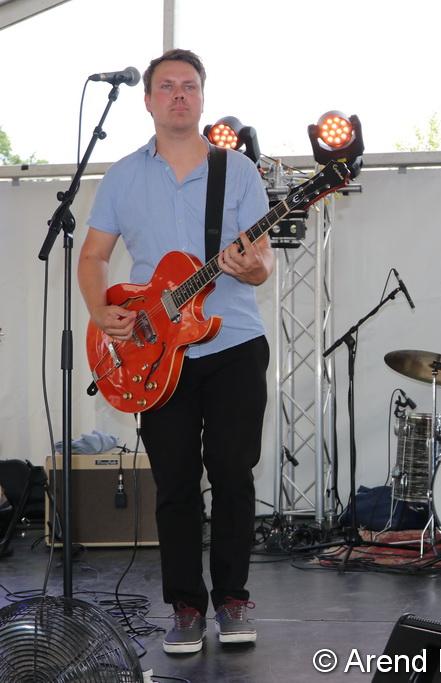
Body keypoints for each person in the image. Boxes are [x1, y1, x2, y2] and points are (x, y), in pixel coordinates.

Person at [78, 49, 272, 654]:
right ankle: (186, 606)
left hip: (234, 342)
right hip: (155, 351)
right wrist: (99, 311)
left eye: (189, 85)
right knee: (175, 483)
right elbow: (93, 256)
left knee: (233, 474)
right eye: (167, 86)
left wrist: (253, 268)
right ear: (148, 100)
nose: (179, 95)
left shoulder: (238, 171)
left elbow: (262, 263)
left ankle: (233, 599)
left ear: (202, 97)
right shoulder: (122, 176)